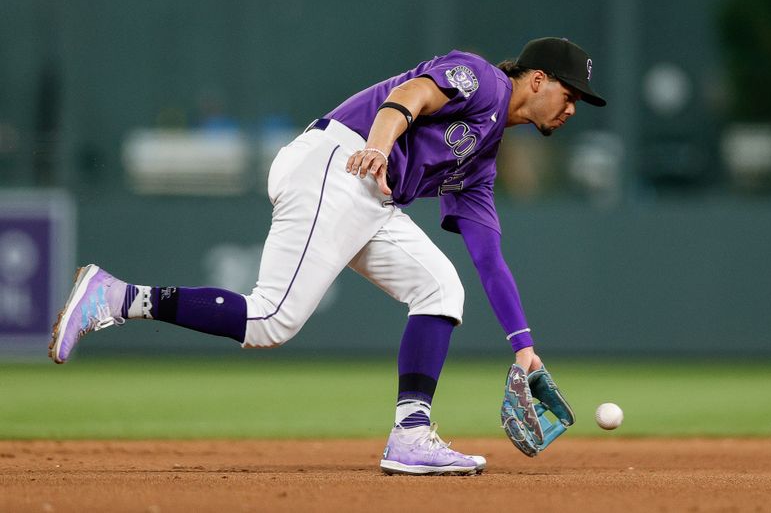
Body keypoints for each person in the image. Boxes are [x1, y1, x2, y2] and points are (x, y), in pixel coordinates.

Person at [50, 37, 606, 476]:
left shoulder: (481, 159)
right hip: (342, 162)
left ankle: (411, 435)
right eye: (571, 95)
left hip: (369, 193)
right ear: (538, 80)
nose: (573, 109)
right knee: (269, 320)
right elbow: (410, 96)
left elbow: (489, 257)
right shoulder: (481, 78)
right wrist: (379, 147)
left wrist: (524, 348)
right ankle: (116, 297)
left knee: (442, 288)